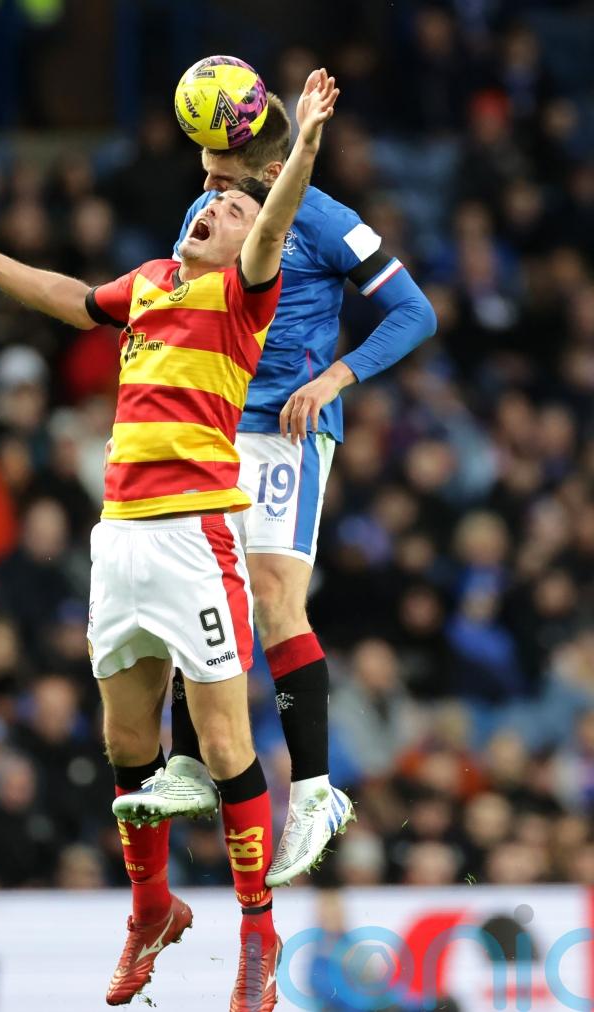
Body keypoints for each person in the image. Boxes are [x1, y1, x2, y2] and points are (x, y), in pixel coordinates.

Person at [0, 67, 338, 1012]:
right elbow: (66, 294)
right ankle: (151, 909)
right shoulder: (146, 286)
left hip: (195, 539)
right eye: (206, 202)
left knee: (224, 744)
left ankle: (256, 933)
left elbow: (271, 223)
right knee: (126, 737)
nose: (211, 211)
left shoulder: (240, 304)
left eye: (226, 209)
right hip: (120, 541)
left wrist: (301, 143)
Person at [114, 82, 437, 887]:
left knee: (270, 597)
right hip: (216, 428)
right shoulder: (216, 220)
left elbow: (414, 311)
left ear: (253, 158)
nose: (203, 176)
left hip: (287, 433)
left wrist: (335, 377)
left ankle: (319, 791)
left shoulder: (321, 217)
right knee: (206, 589)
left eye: (214, 160)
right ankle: (189, 764)